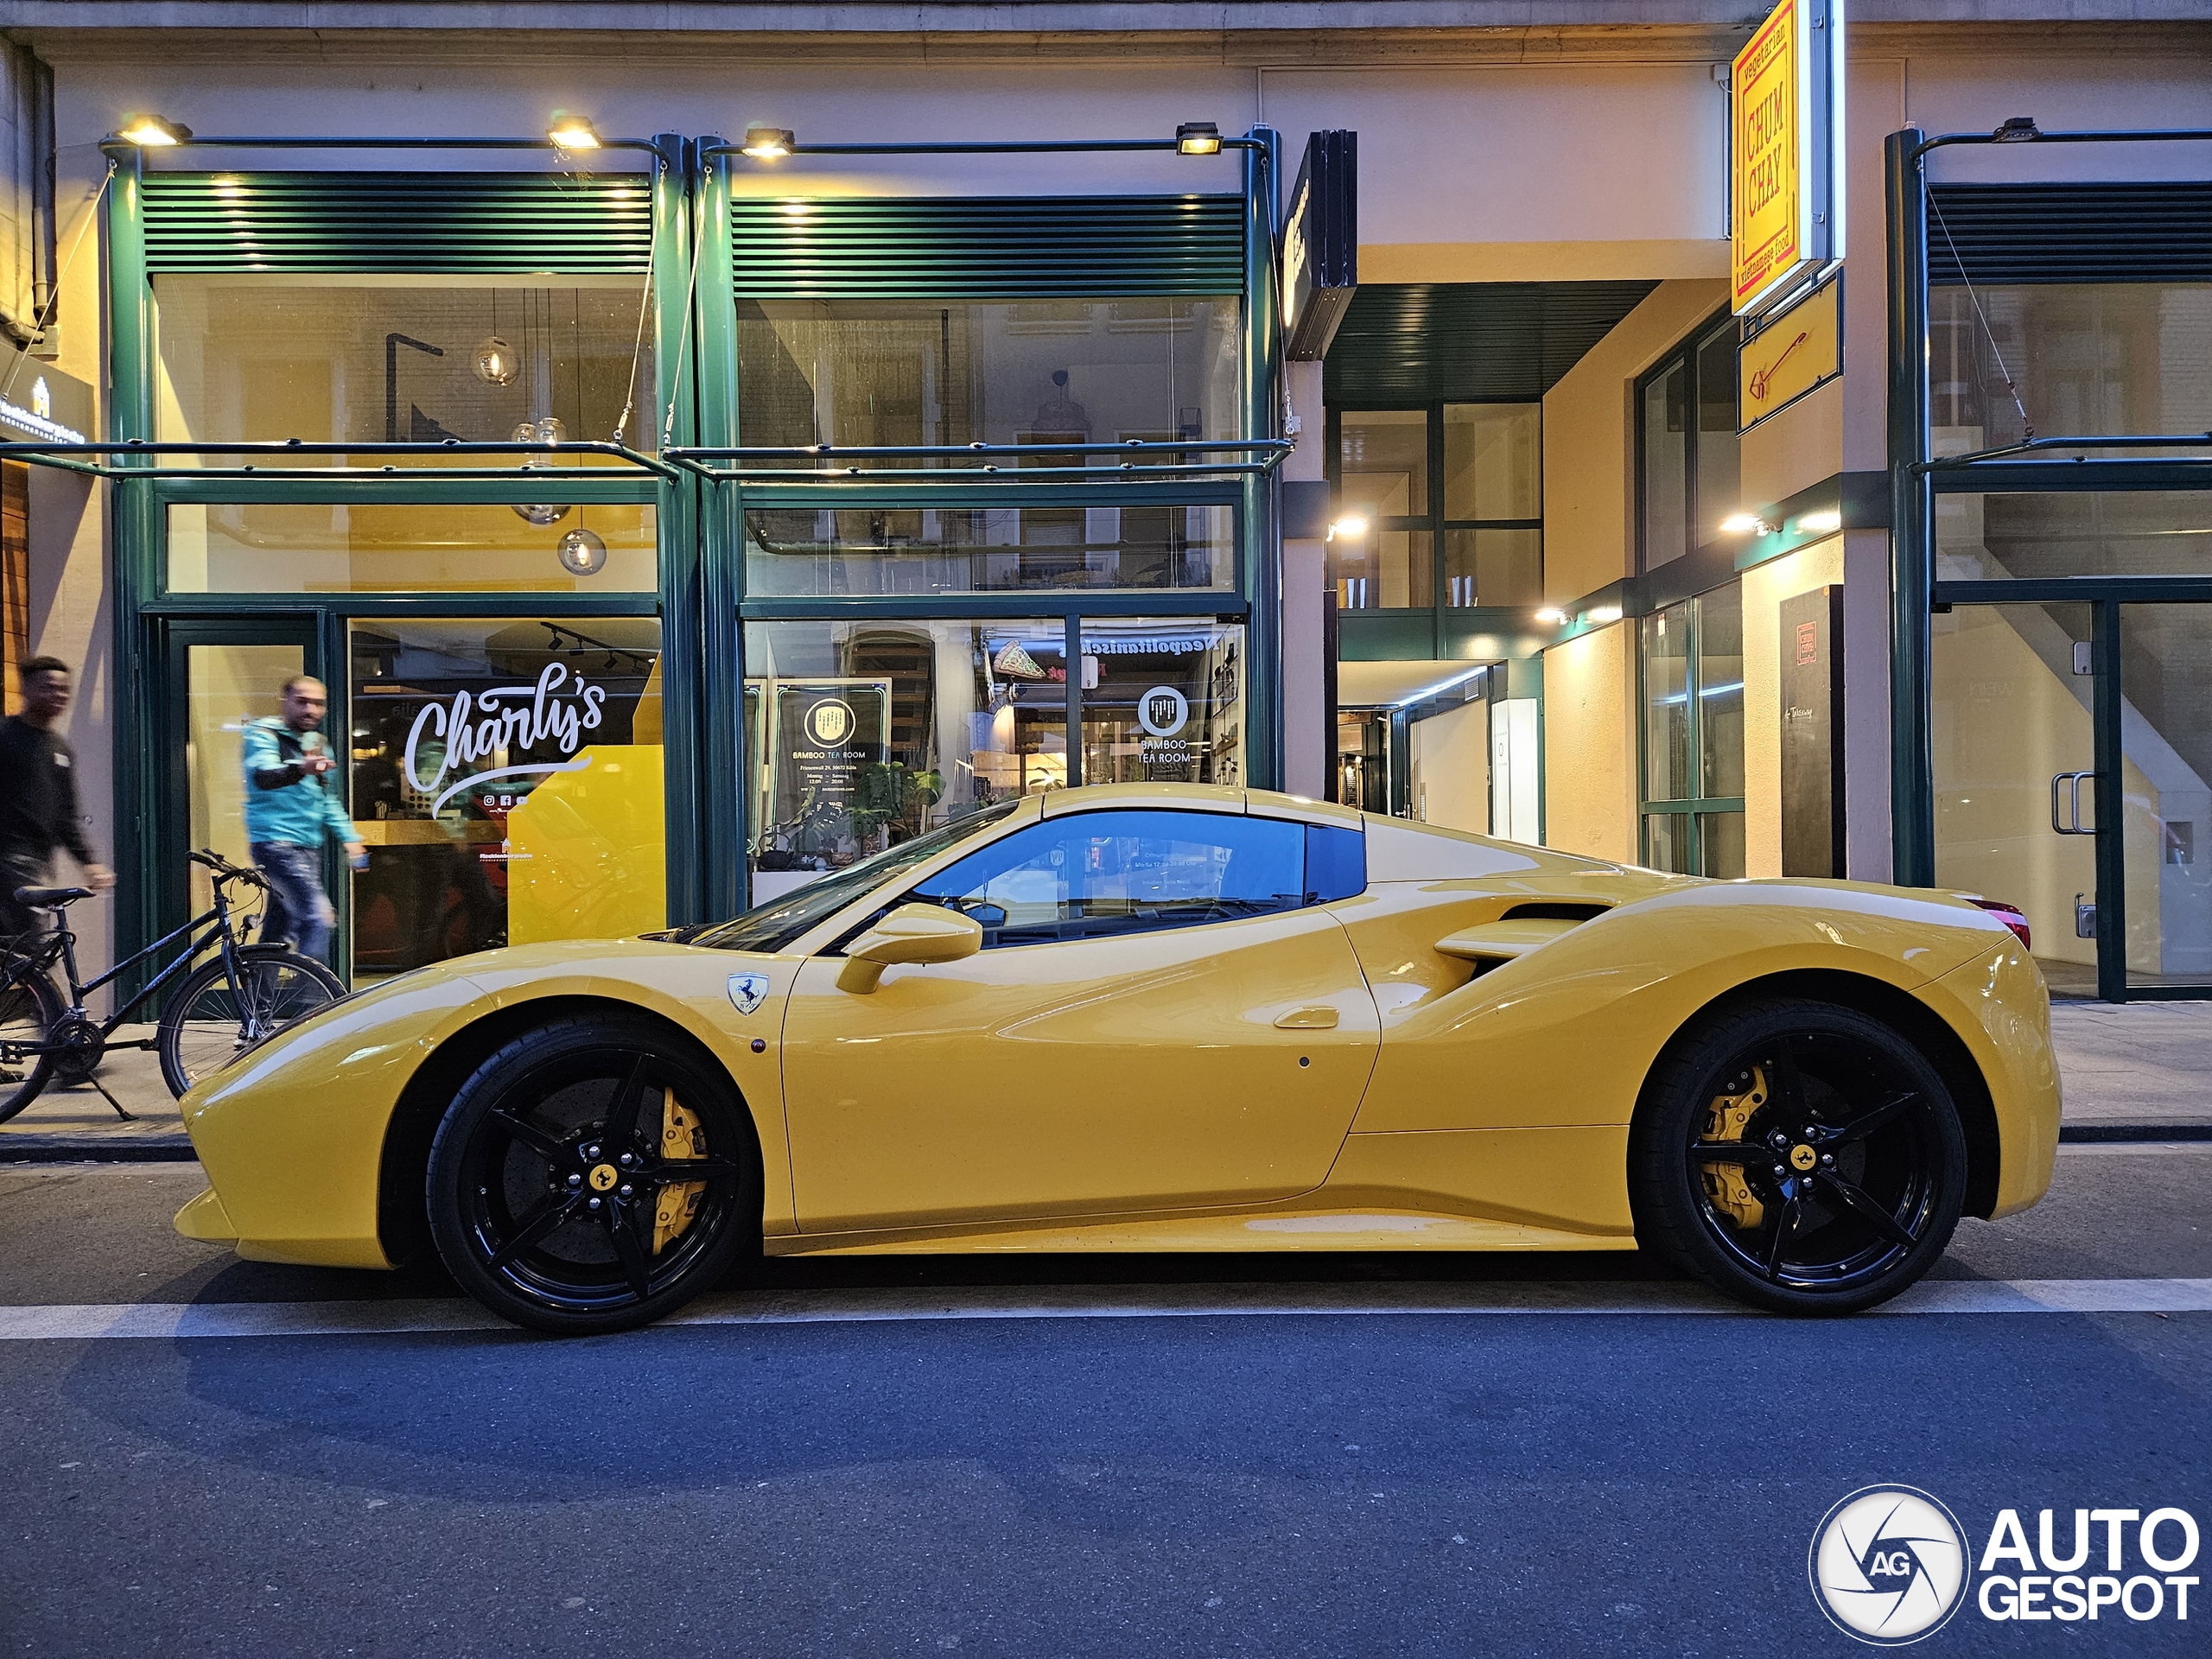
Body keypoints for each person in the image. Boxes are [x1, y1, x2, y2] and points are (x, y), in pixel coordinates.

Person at [244, 675, 365, 963]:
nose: (311, 710)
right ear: (284, 702)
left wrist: (350, 839)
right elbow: (264, 777)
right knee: (318, 917)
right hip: (276, 844)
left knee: (278, 932)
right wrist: (302, 768)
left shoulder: (318, 742)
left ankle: (256, 1008)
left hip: (308, 848)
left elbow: (327, 799)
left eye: (318, 703)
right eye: (302, 702)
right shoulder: (263, 734)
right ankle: (315, 1005)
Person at [0, 656, 113, 943]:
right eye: (49, 687)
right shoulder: (5, 736)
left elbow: (65, 815)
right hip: (8, 862)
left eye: (64, 689)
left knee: (30, 957)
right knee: (23, 954)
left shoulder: (59, 748)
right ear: (26, 688)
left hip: (38, 864)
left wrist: (88, 863)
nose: (59, 696)